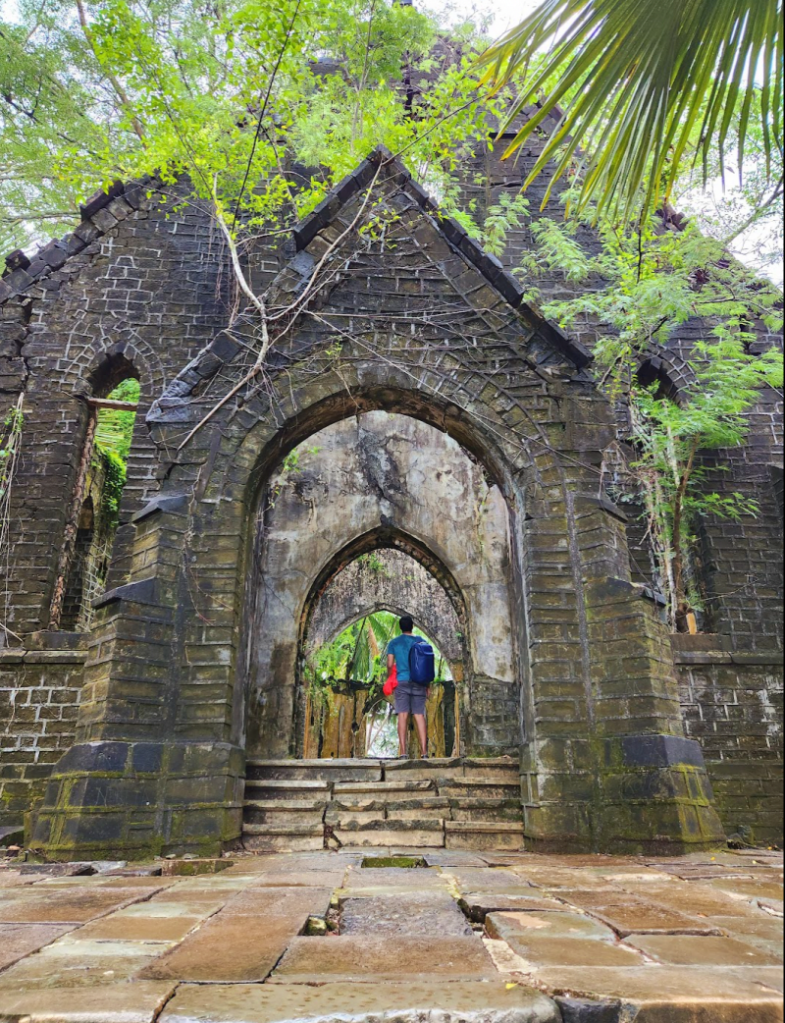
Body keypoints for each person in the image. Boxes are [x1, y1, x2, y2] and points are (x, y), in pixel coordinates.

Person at [386, 615, 429, 758]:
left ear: (400, 627)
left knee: (402, 716)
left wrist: (389, 678)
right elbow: (427, 664)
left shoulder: (394, 643)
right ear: (413, 626)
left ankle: (403, 752)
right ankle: (424, 753)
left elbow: (390, 664)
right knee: (419, 715)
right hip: (419, 682)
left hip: (402, 682)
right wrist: (426, 684)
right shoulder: (421, 641)